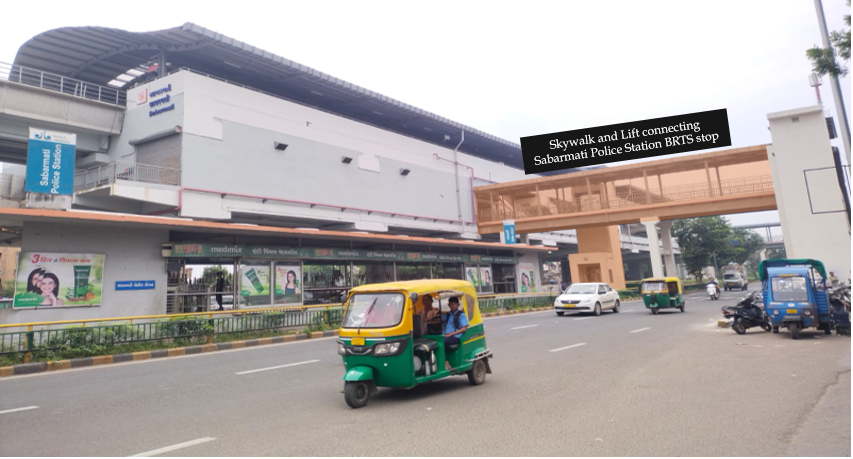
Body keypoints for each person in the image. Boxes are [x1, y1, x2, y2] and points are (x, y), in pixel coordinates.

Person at [442, 297, 469, 370]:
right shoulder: (447, 315)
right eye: (451, 304)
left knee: (441, 342)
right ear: (448, 305)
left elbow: (464, 328)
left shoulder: (461, 314)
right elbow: (438, 320)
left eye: (454, 304)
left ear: (458, 305)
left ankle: (446, 362)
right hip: (446, 336)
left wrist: (452, 334)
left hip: (456, 337)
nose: (452, 305)